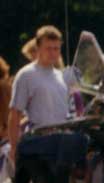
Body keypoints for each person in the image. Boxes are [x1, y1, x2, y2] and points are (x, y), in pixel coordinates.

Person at [7, 26, 70, 167]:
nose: (53, 53)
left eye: (56, 48)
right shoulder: (26, 75)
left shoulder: (60, 76)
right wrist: (14, 148)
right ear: (38, 48)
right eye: (48, 48)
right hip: (38, 142)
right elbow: (15, 113)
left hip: (60, 144)